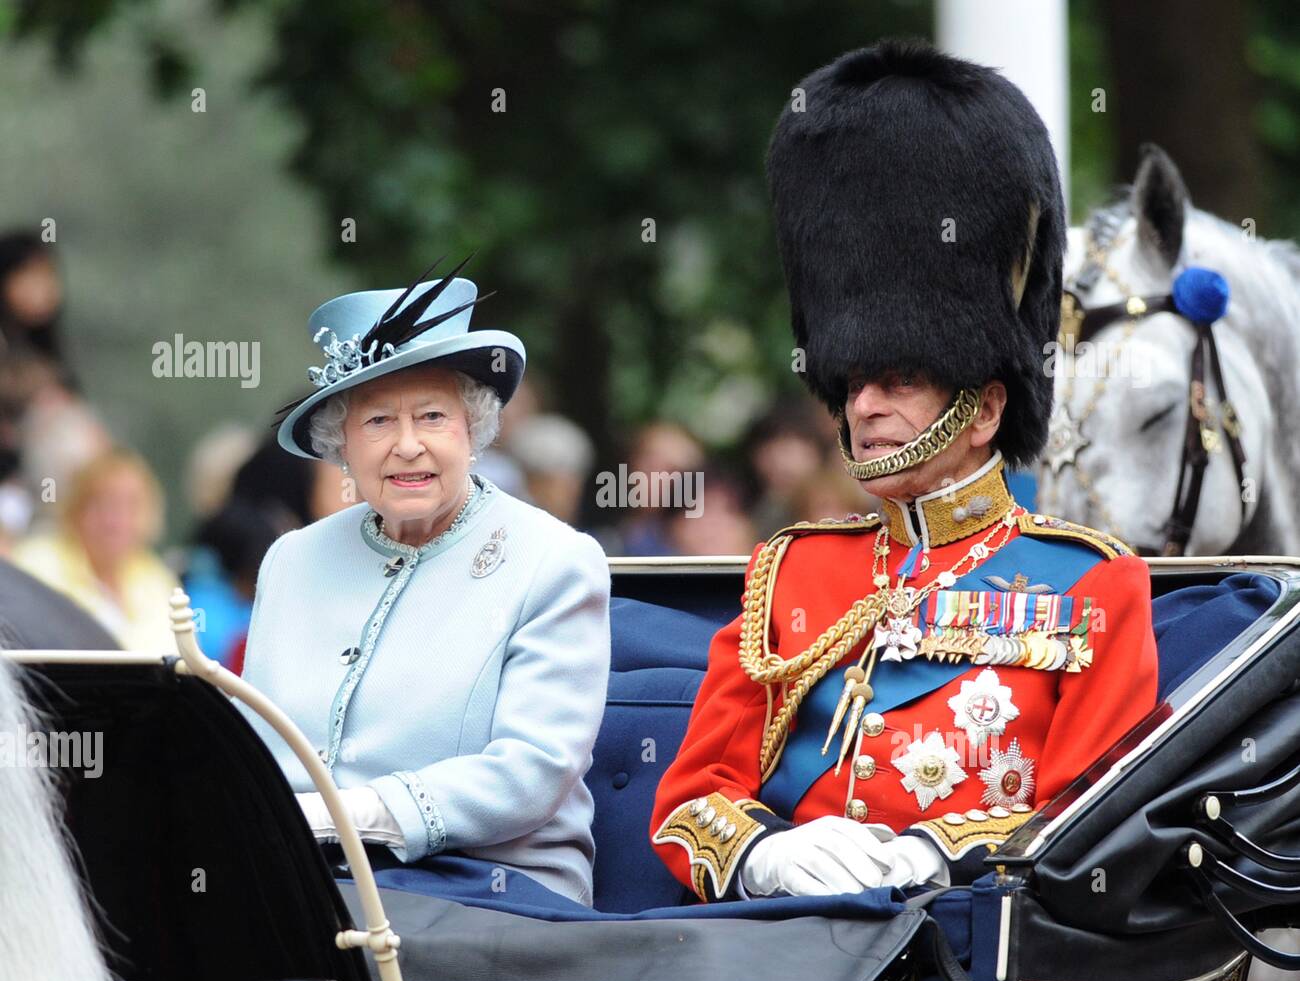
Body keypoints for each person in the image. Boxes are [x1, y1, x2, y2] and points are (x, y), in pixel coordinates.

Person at [650, 40, 1159, 902]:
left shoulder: (1094, 585)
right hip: (781, 933)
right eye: (854, 382)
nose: (864, 407)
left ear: (985, 408)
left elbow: (1095, 810)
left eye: (901, 380)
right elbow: (691, 798)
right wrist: (761, 856)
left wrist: (940, 850)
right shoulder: (791, 570)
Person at [237, 259, 611, 907]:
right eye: (378, 421)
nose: (407, 445)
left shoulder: (555, 559)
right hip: (306, 883)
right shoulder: (291, 561)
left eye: (432, 417)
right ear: (342, 445)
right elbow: (255, 750)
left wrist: (347, 817)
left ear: (474, 432)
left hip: (489, 889)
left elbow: (530, 775)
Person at [11, 447, 179, 652]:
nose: (117, 520)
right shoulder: (36, 563)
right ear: (75, 509)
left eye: (131, 506)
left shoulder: (157, 580)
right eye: (102, 504)